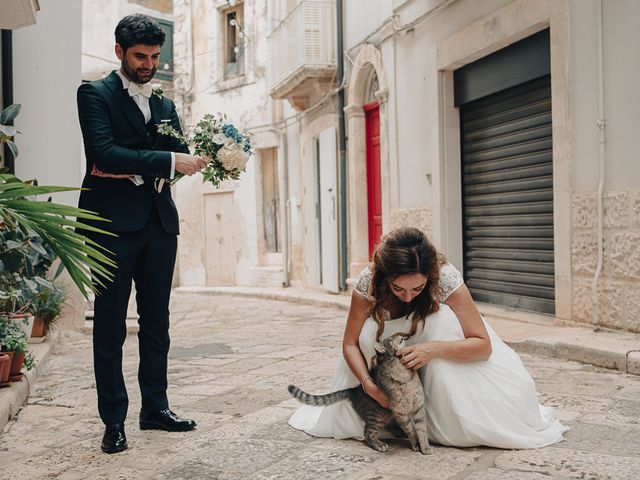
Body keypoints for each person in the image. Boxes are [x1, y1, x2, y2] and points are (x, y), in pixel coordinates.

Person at [289, 227, 568, 448]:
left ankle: (435, 413)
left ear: (430, 277)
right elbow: (349, 343)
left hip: (445, 359)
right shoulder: (368, 281)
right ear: (385, 278)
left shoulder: (446, 278)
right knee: (366, 333)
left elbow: (483, 346)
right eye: (399, 289)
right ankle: (389, 416)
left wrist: (433, 349)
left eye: (418, 288)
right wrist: (369, 386)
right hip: (381, 377)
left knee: (443, 321)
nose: (409, 296)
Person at [76, 14, 206, 454]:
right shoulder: (94, 94)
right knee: (110, 325)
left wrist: (168, 164)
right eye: (140, 56)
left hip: (158, 224)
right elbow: (102, 151)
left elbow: (181, 156)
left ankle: (156, 408)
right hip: (109, 226)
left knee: (157, 323)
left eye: (154, 56)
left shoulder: (166, 104)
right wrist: (165, 162)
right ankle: (113, 420)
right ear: (119, 52)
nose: (149, 64)